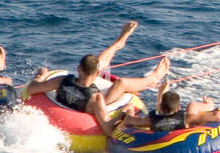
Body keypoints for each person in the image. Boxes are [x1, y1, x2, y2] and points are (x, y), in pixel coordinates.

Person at [24, 21, 169, 132]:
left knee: (98, 63)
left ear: (78, 68)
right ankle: (154, 78)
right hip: (91, 105)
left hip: (69, 99)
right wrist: (123, 114)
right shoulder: (97, 98)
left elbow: (31, 89)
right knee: (121, 83)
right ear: (98, 73)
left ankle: (119, 43)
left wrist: (40, 76)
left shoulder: (60, 81)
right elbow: (107, 128)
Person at [115, 80, 220, 134]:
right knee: (192, 105)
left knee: (190, 106)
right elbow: (217, 116)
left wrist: (130, 109)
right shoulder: (187, 118)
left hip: (160, 123)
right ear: (178, 108)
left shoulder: (149, 121)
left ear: (161, 107)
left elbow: (129, 120)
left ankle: (162, 92)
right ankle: (209, 104)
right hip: (182, 128)